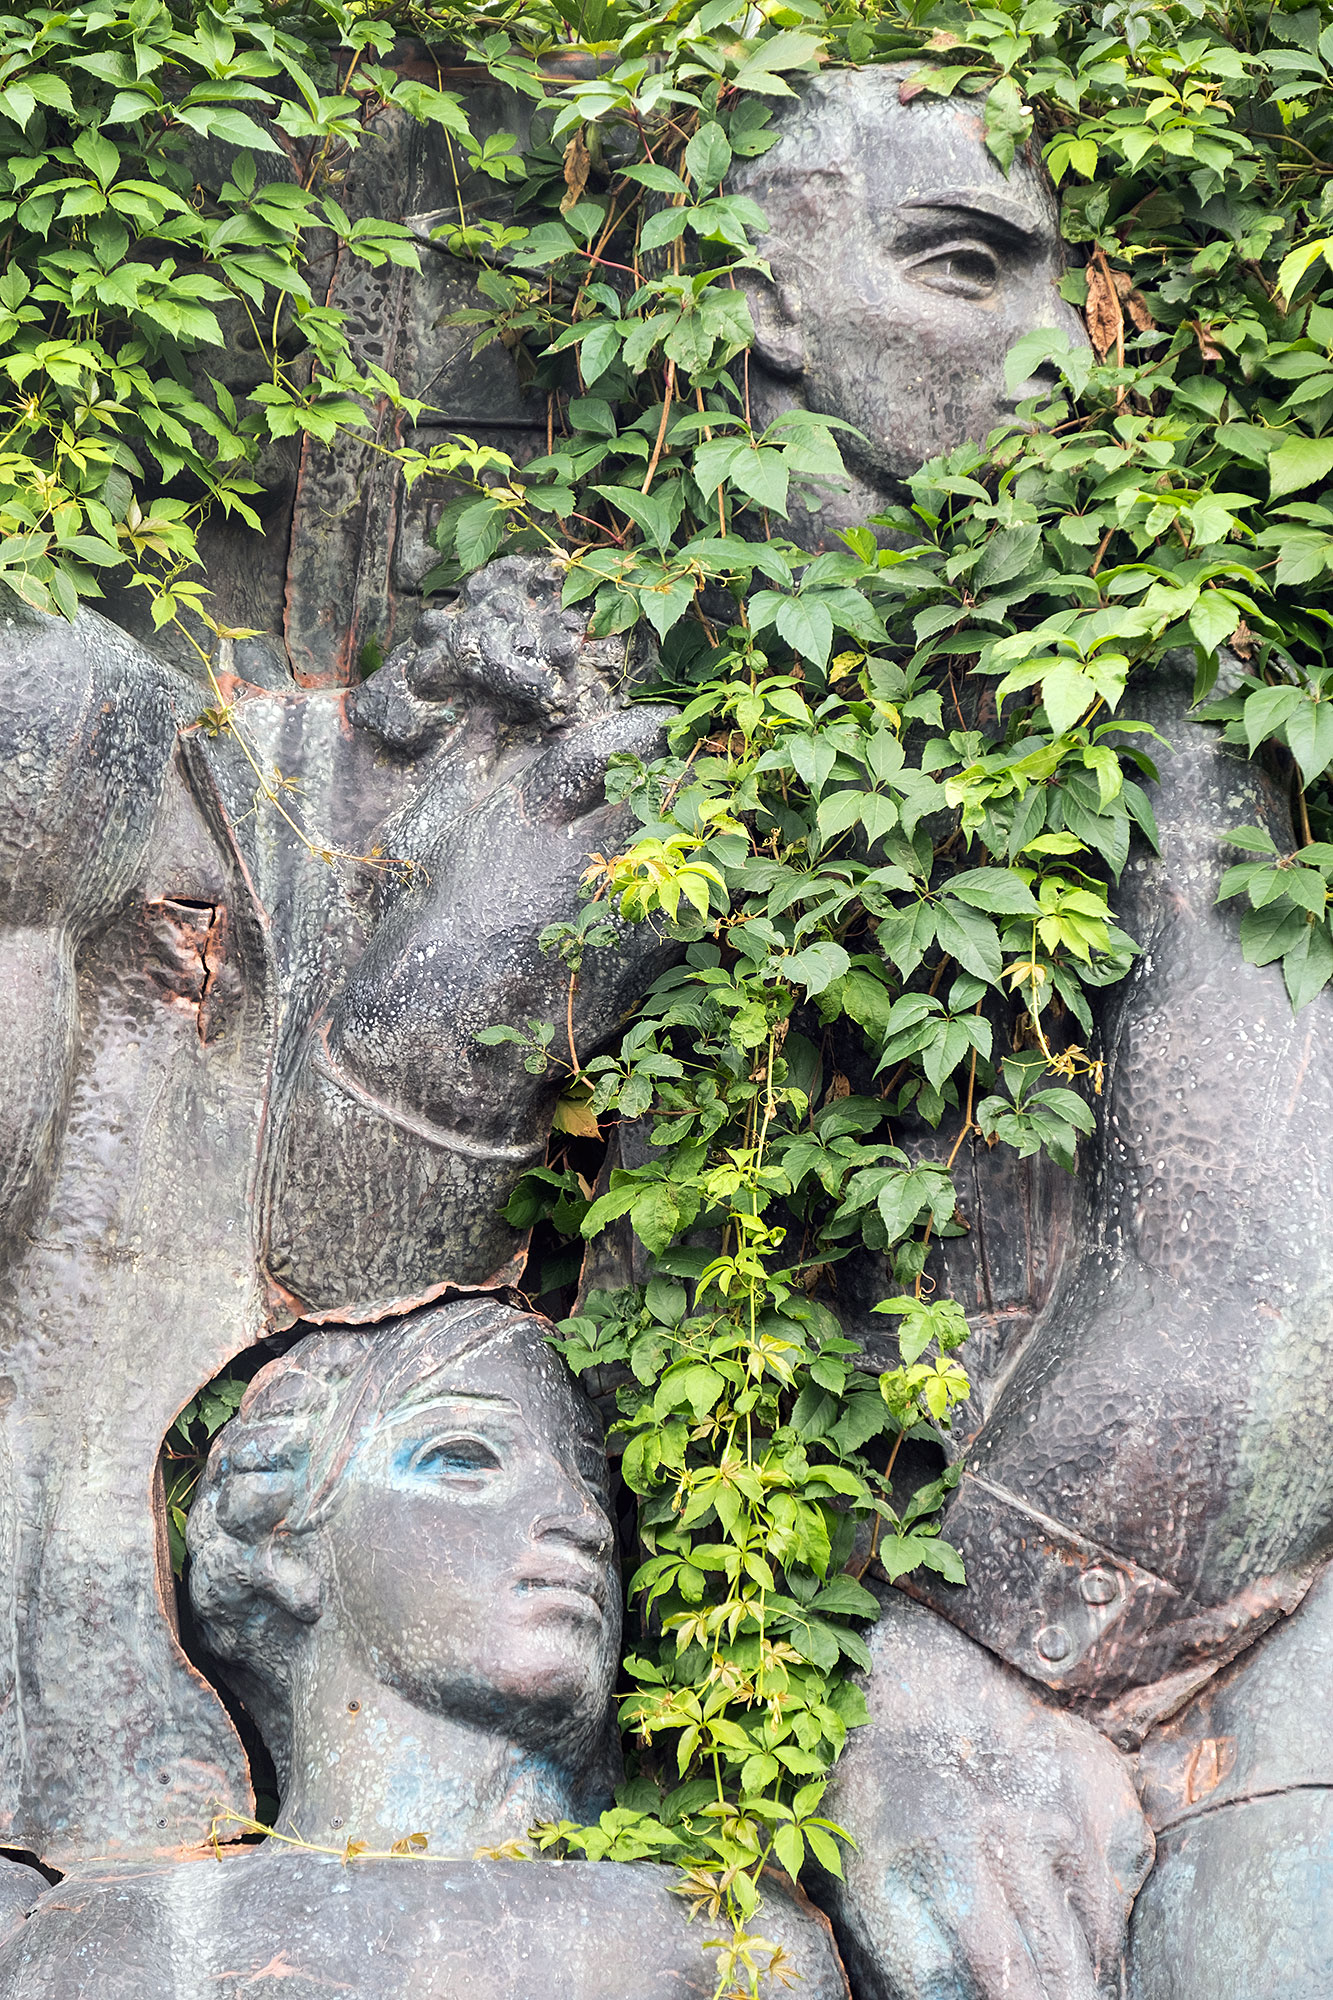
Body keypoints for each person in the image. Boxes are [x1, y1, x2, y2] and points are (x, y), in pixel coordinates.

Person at [0, 1300, 848, 2000]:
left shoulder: (736, 1948)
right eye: (465, 1459)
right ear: (287, 1549)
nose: (583, 1519)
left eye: (591, 1483)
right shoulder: (108, 1957)